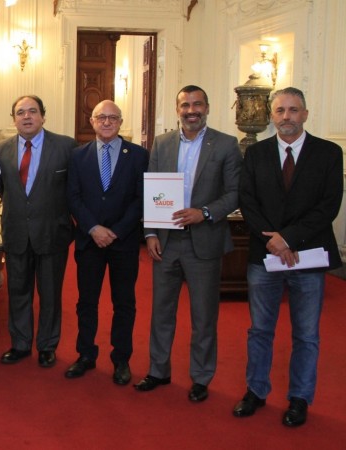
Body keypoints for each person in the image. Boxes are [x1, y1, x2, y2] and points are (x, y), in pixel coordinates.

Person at [234, 87, 343, 427]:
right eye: (280, 111)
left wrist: (289, 238)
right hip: (264, 255)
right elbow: (247, 201)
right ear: (271, 115)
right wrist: (274, 241)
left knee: (306, 334)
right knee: (260, 330)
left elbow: (329, 205)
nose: (286, 117)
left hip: (307, 255)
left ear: (305, 114)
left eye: (293, 110)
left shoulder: (328, 153)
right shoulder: (255, 154)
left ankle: (299, 398)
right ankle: (256, 390)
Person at [134, 85, 241, 402]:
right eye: (185, 105)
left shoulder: (225, 144)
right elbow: (151, 188)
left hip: (204, 242)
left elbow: (235, 193)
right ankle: (158, 371)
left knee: (204, 315)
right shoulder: (162, 143)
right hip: (166, 242)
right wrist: (150, 233)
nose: (191, 110)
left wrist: (204, 212)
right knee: (161, 312)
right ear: (177, 108)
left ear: (207, 107)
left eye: (197, 104)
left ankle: (201, 377)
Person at [65, 100, 148, 384]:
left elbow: (141, 199)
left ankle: (121, 359)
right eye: (102, 117)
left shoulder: (138, 155)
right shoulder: (78, 156)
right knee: (86, 302)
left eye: (113, 117)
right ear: (92, 121)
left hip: (123, 243)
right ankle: (86, 354)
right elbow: (73, 197)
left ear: (121, 121)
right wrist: (93, 228)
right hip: (90, 242)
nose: (107, 122)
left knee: (124, 302)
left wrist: (118, 230)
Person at [0, 95, 76, 368]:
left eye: (32, 111)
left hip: (53, 234)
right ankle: (20, 344)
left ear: (43, 116)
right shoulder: (1, 150)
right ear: (14, 119)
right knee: (18, 291)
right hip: (16, 231)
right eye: (20, 112)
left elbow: (75, 190)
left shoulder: (66, 147)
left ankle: (47, 345)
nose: (27, 116)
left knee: (50, 294)